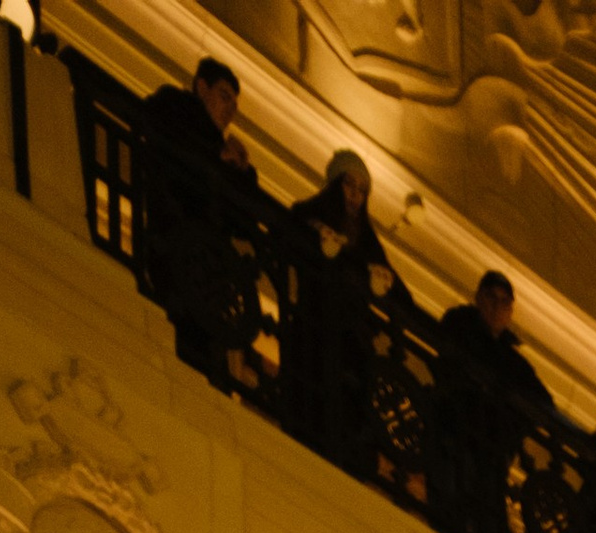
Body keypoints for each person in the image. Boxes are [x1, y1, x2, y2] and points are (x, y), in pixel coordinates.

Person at [133, 58, 263, 393]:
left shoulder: (223, 150)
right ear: (201, 87)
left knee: (203, 346)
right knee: (179, 329)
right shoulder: (173, 107)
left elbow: (245, 223)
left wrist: (243, 173)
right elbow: (160, 135)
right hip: (175, 245)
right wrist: (216, 158)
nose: (230, 108)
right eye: (224, 96)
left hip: (208, 267)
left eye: (234, 103)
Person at [279, 149, 408, 477]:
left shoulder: (367, 241)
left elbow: (400, 294)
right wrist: (315, 239)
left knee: (347, 405)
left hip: (352, 342)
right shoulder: (311, 215)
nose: (355, 195)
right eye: (350, 185)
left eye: (362, 190)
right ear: (336, 185)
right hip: (315, 325)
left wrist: (384, 282)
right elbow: (288, 231)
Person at [430, 273, 560, 533]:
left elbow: (545, 406)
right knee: (452, 506)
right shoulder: (459, 325)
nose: (497, 307)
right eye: (492, 298)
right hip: (457, 434)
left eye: (505, 302)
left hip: (490, 450)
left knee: (487, 512)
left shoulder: (513, 360)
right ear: (478, 299)